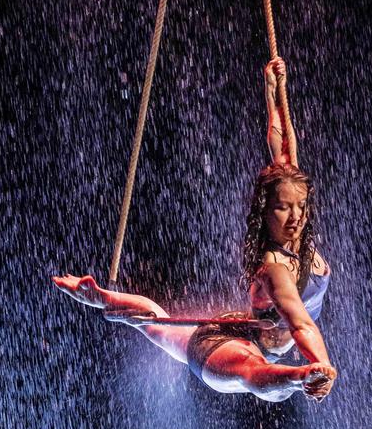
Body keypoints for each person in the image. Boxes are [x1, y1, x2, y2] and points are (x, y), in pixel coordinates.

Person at [54, 58, 337, 403]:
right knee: (262, 382)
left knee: (154, 323)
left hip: (239, 328)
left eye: (300, 206)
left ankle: (99, 297)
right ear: (265, 212)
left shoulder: (296, 224)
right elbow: (301, 325)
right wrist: (319, 364)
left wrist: (274, 91)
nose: (295, 216)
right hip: (225, 347)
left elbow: (284, 151)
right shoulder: (273, 267)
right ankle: (295, 379)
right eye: (283, 207)